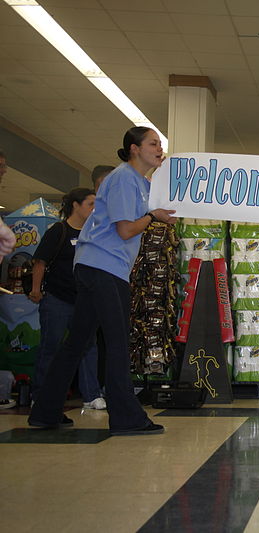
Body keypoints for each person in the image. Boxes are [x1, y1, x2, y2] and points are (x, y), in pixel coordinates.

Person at [28, 126, 176, 435]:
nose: (159, 149)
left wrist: (158, 210)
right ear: (134, 149)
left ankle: (45, 410)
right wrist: (153, 217)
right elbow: (125, 230)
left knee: (77, 342)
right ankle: (126, 417)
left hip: (97, 267)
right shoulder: (123, 179)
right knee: (118, 342)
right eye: (153, 143)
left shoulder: (139, 183)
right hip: (103, 268)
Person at [28, 188, 105, 409]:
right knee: (51, 346)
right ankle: (41, 395)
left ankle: (91, 394)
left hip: (85, 300)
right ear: (75, 205)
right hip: (57, 299)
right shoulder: (58, 231)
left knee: (89, 346)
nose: (94, 209)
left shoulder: (94, 233)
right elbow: (40, 262)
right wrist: (36, 289)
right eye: (90, 204)